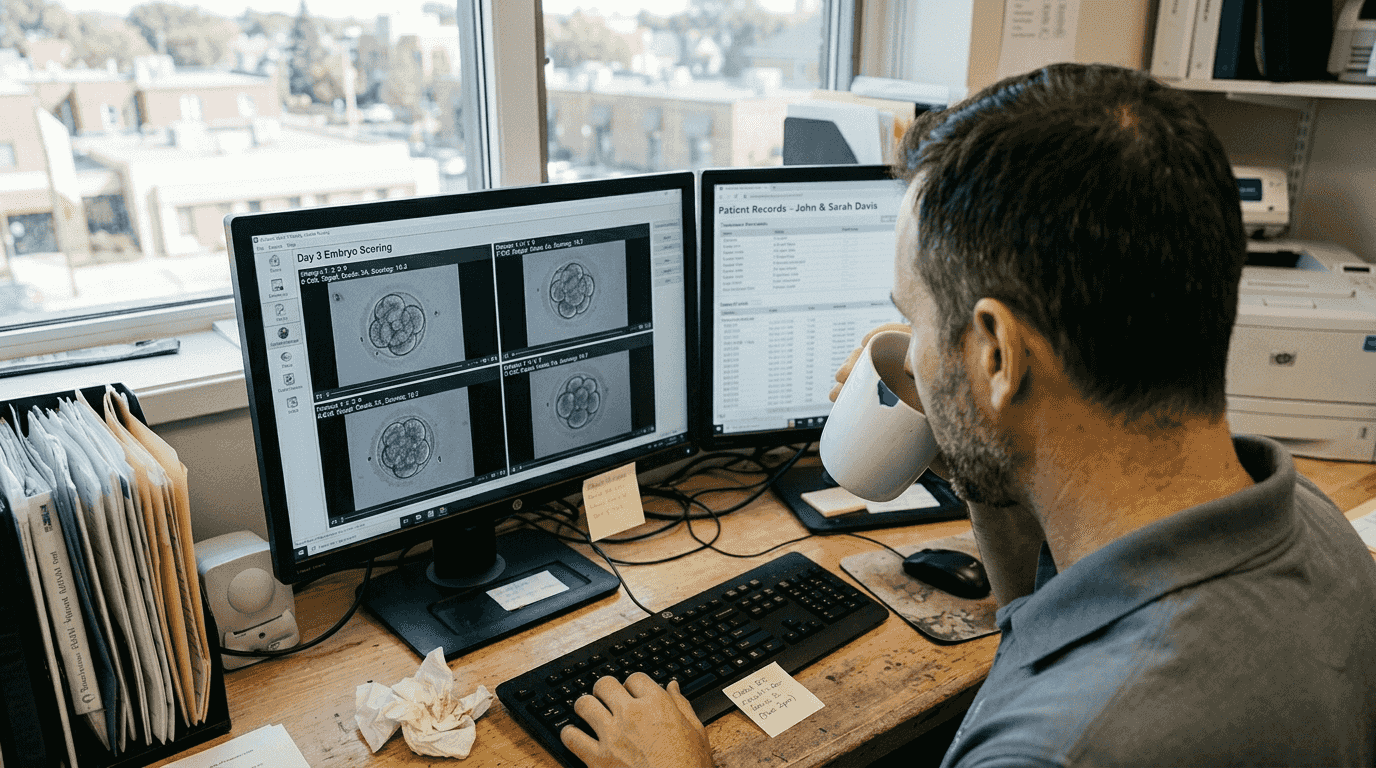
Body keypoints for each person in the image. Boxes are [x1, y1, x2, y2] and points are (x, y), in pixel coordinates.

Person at [559, 63, 1376, 768]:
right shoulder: (1310, 525)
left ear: (997, 356)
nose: (909, 353)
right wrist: (975, 439)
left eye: (911, 320)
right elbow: (1030, 630)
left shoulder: (1063, 745)